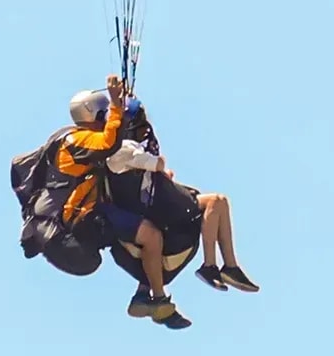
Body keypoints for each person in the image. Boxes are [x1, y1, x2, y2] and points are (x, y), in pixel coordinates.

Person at [29, 77, 258, 329]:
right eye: (104, 113)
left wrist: (124, 106)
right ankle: (159, 299)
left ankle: (146, 295)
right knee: (151, 235)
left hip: (101, 207)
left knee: (155, 223)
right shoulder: (80, 139)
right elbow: (109, 143)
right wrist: (118, 104)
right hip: (89, 216)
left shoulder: (93, 140)